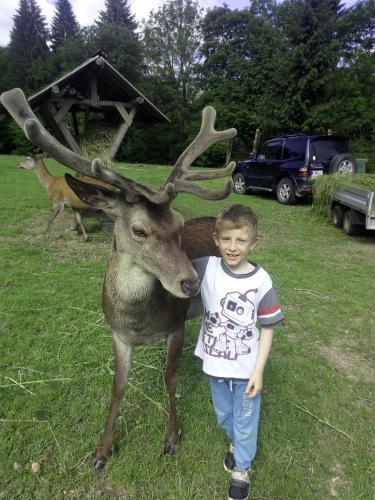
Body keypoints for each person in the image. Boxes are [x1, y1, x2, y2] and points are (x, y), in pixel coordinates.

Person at [193, 204, 284, 500]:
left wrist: (258, 370)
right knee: (225, 416)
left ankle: (242, 469)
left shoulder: (261, 282)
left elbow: (268, 327)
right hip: (215, 367)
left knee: (245, 422)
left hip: (246, 371)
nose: (233, 248)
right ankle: (235, 443)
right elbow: (169, 265)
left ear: (252, 243)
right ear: (216, 239)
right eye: (227, 240)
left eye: (241, 240)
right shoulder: (205, 267)